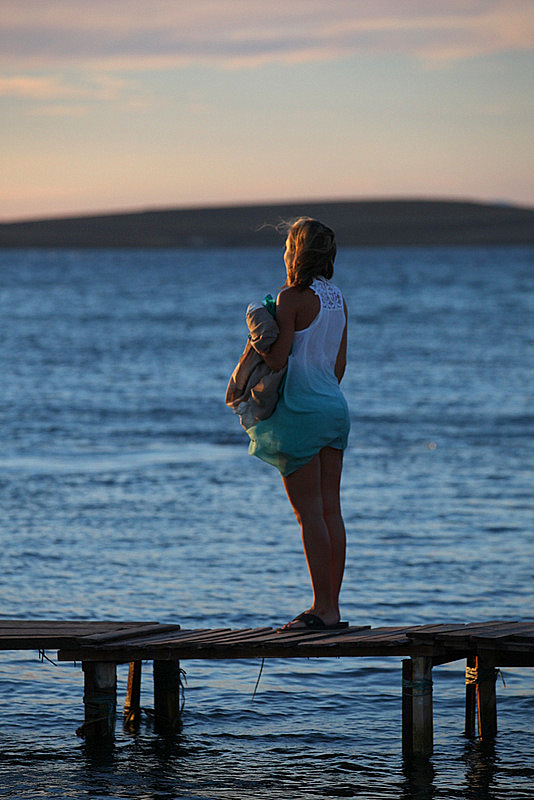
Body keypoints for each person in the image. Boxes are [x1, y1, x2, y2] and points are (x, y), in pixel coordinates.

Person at [246, 217, 350, 631]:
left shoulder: (291, 297)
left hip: (302, 411)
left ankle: (321, 608)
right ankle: (333, 607)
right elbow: (339, 366)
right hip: (335, 408)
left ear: (297, 252)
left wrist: (257, 332)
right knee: (331, 511)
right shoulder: (338, 298)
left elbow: (277, 359)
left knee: (308, 514)